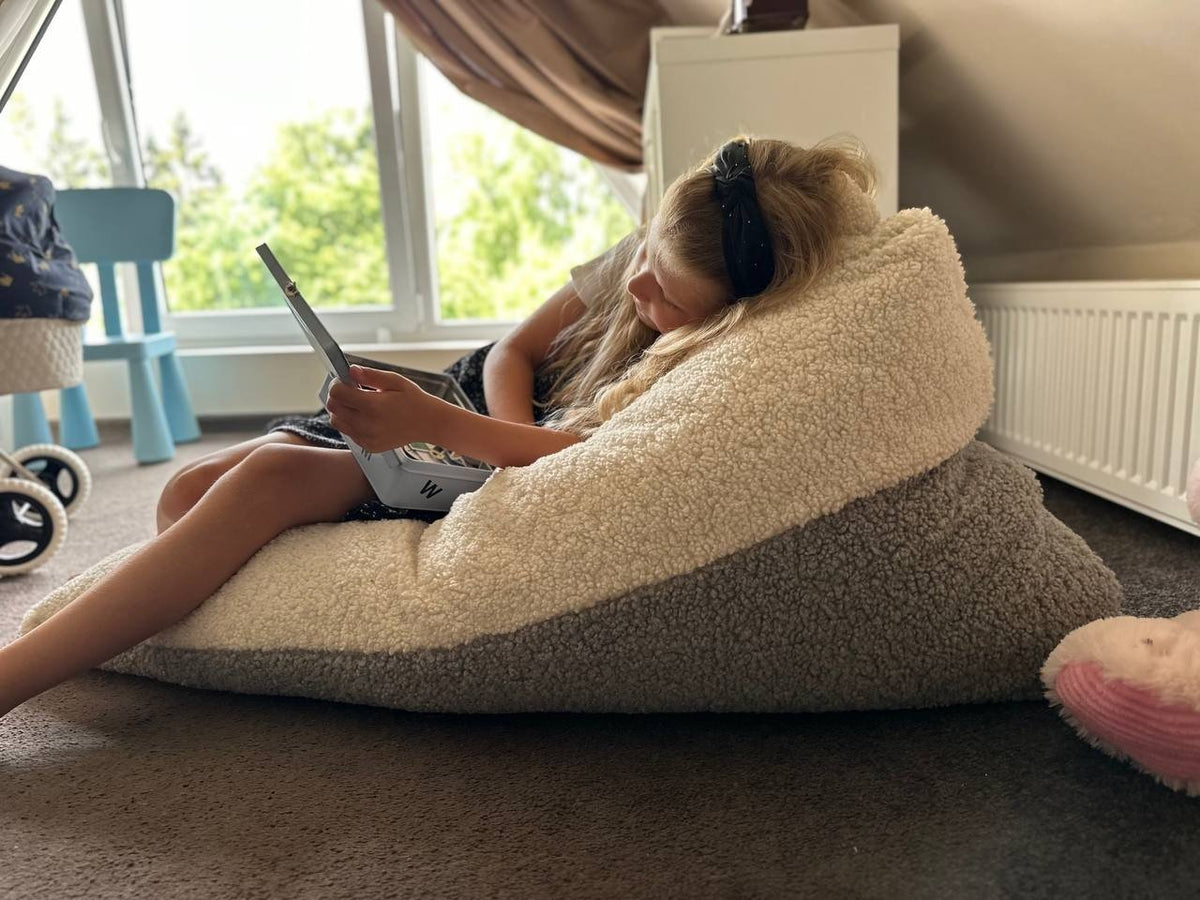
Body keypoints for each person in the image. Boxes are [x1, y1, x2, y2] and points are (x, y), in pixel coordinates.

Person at [0, 134, 877, 720]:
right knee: (186, 491)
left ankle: (15, 678)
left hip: (459, 453)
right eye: (643, 266)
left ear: (728, 314)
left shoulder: (715, 364)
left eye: (667, 301)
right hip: (448, 416)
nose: (640, 298)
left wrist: (460, 443)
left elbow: (590, 455)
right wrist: (445, 418)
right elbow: (512, 353)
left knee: (262, 483)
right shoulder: (646, 254)